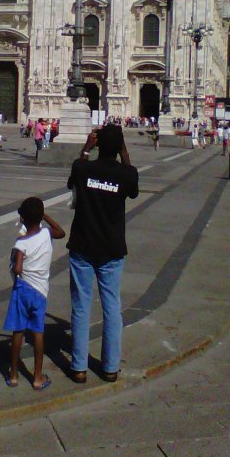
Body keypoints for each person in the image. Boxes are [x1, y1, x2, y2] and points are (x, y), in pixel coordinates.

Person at [66, 124, 139, 384]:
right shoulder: (126, 174)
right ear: (119, 147)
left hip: (83, 248)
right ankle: (109, 367)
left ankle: (79, 368)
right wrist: (124, 152)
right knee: (112, 308)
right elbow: (132, 185)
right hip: (111, 249)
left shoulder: (82, 168)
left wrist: (86, 149)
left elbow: (73, 177)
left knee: (81, 307)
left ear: (97, 145)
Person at [3, 197, 65, 390]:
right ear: (40, 217)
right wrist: (44, 215)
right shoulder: (47, 234)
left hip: (23, 289)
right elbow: (61, 232)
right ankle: (37, 378)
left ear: (22, 218)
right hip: (40, 291)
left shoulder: (21, 242)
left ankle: (13, 375)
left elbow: (18, 268)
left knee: (18, 331)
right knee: (38, 333)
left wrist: (16, 267)